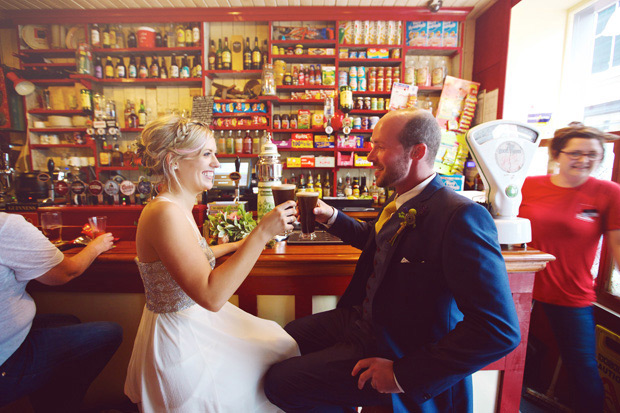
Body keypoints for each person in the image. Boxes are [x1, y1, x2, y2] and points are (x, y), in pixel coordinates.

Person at [264, 109, 521, 412]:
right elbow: (379, 243)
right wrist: (331, 217)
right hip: (361, 320)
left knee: (280, 382)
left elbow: (499, 330)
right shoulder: (403, 198)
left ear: (417, 152)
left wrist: (401, 375)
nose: (369, 156)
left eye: (380, 147)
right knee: (283, 339)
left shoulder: (460, 216)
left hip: (397, 348)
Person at [124, 116, 299, 412]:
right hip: (180, 339)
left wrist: (239, 244)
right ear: (173, 162)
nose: (217, 164)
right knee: (277, 352)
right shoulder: (165, 213)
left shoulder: (175, 206)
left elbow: (193, 255)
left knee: (279, 345)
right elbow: (211, 296)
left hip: (188, 323)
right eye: (207, 154)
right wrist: (261, 233)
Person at [519, 123, 620, 413]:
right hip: (521, 288)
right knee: (508, 355)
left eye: (593, 154)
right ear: (556, 154)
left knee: (582, 367)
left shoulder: (608, 193)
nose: (584, 160)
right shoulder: (528, 185)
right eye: (576, 153)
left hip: (570, 291)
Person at [0, 212, 122, 412]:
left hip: (12, 337)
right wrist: (95, 246)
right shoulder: (6, 226)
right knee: (109, 332)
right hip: (6, 358)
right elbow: (66, 272)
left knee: (68, 321)